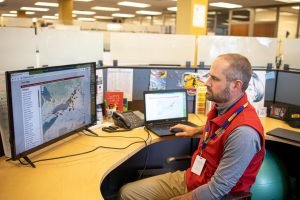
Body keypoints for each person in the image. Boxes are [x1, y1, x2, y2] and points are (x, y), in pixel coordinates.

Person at [119, 53, 265, 200]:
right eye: (209, 76)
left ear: (236, 85)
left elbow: (217, 189)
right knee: (126, 193)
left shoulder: (245, 133)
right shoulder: (223, 107)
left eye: (214, 78)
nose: (207, 82)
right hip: (193, 178)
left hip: (212, 195)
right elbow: (223, 128)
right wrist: (195, 130)